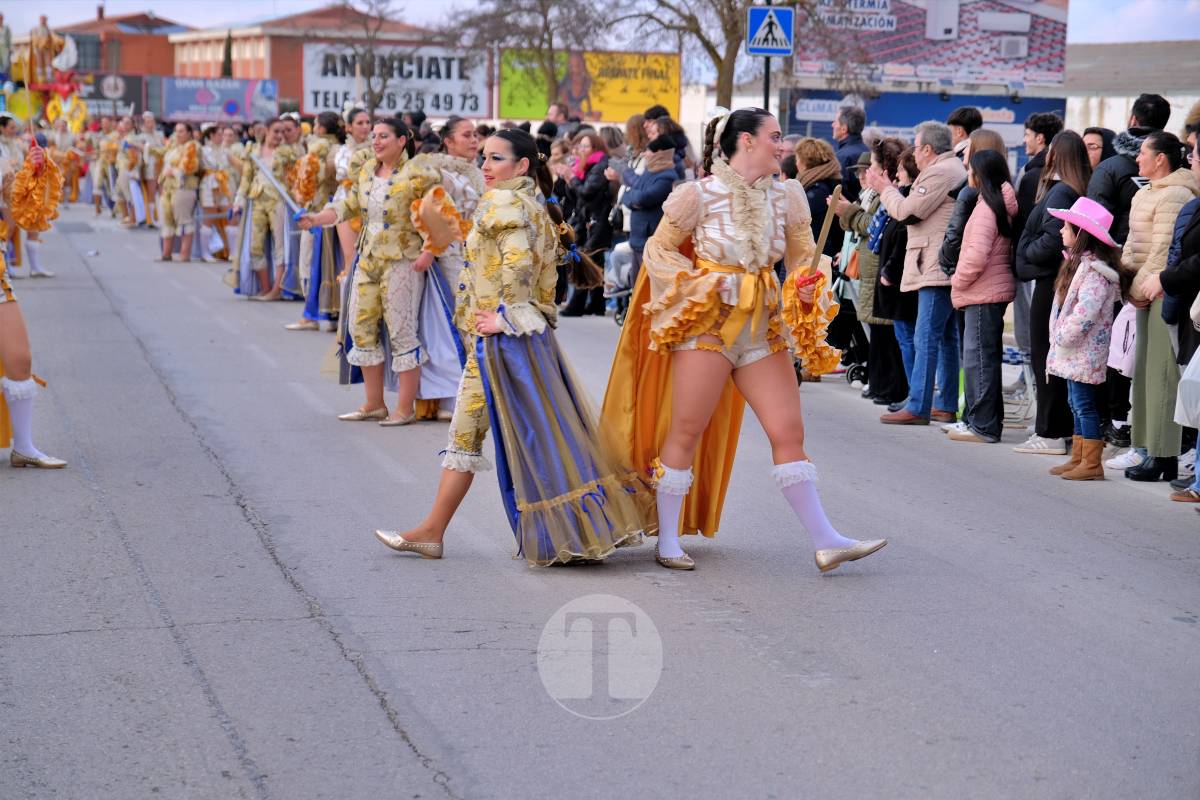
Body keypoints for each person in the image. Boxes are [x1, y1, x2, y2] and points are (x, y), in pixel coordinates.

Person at [601, 107, 884, 572]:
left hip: (762, 329)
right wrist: (696, 284)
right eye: (775, 136)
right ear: (747, 141)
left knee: (788, 432)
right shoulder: (697, 194)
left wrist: (805, 284)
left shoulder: (788, 196)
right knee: (685, 431)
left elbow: (801, 259)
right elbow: (659, 248)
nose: (783, 145)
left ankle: (826, 540)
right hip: (708, 327)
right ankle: (667, 539)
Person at [372, 129, 646, 565]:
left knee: (472, 434)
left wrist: (505, 317)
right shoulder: (534, 204)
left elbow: (518, 263)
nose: (485, 165)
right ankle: (444, 530)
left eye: (496, 158)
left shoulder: (504, 203)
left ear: (522, 166)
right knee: (538, 433)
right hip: (522, 338)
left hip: (501, 343)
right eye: (484, 156)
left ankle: (435, 532)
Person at [298, 117, 428, 427]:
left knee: (402, 331)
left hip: (403, 261)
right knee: (361, 326)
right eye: (374, 136)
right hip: (368, 259)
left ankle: (405, 408)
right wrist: (316, 218)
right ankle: (374, 404)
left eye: (383, 136)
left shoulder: (418, 173)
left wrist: (429, 251)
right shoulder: (368, 171)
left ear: (402, 140)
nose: (376, 141)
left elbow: (439, 213)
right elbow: (348, 206)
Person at [869, 120, 966, 426]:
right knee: (946, 337)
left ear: (927, 149)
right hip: (940, 264)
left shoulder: (940, 171)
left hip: (935, 266)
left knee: (925, 337)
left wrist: (885, 190)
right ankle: (944, 403)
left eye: (916, 147)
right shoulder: (952, 168)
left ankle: (918, 405)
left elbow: (907, 211)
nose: (913, 154)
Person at [1121, 131, 1200, 481]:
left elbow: (1163, 251)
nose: (1137, 159)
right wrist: (1128, 281)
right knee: (1143, 372)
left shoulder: (1176, 194)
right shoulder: (1144, 193)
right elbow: (1131, 244)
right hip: (1142, 289)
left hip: (1160, 291)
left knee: (1161, 374)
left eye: (1143, 153)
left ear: (1161, 159)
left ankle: (1163, 452)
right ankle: (1144, 446)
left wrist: (1140, 287)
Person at [1045, 198, 1134, 480]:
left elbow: (1085, 312)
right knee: (1075, 403)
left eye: (1066, 226)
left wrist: (1062, 336)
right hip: (1075, 350)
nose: (1061, 230)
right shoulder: (1081, 266)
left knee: (1084, 405)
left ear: (1081, 234)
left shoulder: (1096, 273)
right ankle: (1079, 457)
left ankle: (1092, 463)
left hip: (1083, 349)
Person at [1014, 131, 1091, 455]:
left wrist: (1026, 252)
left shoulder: (1061, 191)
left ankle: (1049, 432)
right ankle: (1057, 428)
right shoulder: (1078, 188)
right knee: (1054, 356)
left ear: (1056, 155)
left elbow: (1051, 239)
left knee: (1044, 355)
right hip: (1061, 280)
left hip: (1050, 282)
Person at [0, 142, 66, 469]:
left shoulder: (2, 160)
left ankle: (24, 447)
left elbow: (20, 219)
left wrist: (34, 176)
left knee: (19, 360)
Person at [946, 149, 1017, 444]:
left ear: (981, 174)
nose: (968, 175)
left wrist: (957, 280)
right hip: (987, 290)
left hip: (981, 292)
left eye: (970, 170)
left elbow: (976, 256)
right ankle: (983, 422)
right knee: (983, 359)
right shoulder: (993, 202)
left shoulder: (988, 207)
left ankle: (982, 426)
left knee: (979, 362)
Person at [836, 138, 909, 406]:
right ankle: (878, 384)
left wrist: (849, 212)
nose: (867, 173)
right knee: (877, 330)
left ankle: (888, 386)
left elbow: (875, 225)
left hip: (879, 268)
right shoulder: (872, 195)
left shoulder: (889, 195)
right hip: (870, 268)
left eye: (873, 167)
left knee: (885, 332)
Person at [1154, 135, 1200, 500]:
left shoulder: (1180, 198)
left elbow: (1184, 257)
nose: (1190, 161)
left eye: (1194, 154)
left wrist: (1163, 279)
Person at [286, 111, 344, 332]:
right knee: (333, 264)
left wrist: (299, 194)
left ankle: (311, 315)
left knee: (310, 263)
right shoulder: (342, 149)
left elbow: (306, 185)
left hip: (318, 213)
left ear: (320, 128)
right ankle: (331, 314)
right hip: (337, 211)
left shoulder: (318, 150)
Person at [232, 118, 298, 300]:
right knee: (255, 246)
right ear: (266, 131)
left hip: (279, 201)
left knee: (280, 245)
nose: (280, 135)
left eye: (283, 132)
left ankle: (277, 289)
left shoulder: (287, 152)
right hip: (257, 199)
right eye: (276, 131)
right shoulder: (253, 150)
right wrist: (238, 201)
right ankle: (265, 287)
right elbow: (246, 178)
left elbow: (294, 178)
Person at [561, 130, 612, 317]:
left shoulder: (600, 165)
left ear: (595, 148)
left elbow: (587, 191)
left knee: (585, 258)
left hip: (597, 219)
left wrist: (572, 178)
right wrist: (569, 179)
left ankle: (577, 304)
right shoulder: (585, 165)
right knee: (594, 260)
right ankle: (597, 304)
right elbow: (574, 196)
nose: (581, 150)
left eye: (585, 146)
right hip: (586, 218)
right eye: (580, 146)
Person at [158, 122, 200, 263]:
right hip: (168, 187)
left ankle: (184, 254)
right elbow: (162, 159)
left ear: (189, 133)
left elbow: (191, 167)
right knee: (167, 220)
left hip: (184, 187)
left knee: (184, 220)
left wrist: (174, 171)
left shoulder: (193, 146)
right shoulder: (173, 147)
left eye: (181, 131)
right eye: (176, 131)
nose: (178, 134)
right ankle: (166, 254)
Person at [794, 137, 842, 258]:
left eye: (797, 159)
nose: (796, 163)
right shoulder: (831, 183)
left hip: (818, 256)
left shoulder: (817, 191)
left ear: (805, 163)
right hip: (826, 252)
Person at [832, 105, 868, 202]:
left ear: (844, 129)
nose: (832, 125)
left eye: (835, 122)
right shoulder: (870, 153)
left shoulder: (841, 157)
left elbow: (838, 194)